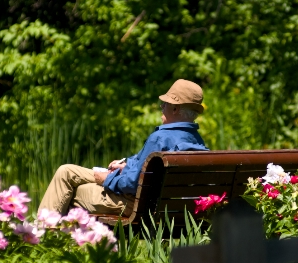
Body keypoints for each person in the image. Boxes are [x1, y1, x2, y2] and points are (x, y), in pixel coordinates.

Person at [38, 79, 209, 217]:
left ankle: (42, 237)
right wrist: (128, 166)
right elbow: (146, 171)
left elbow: (133, 184)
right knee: (66, 171)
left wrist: (105, 179)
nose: (161, 106)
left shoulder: (160, 138)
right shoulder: (197, 142)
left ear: (175, 108)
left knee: (73, 189)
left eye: (164, 103)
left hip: (134, 205)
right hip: (160, 204)